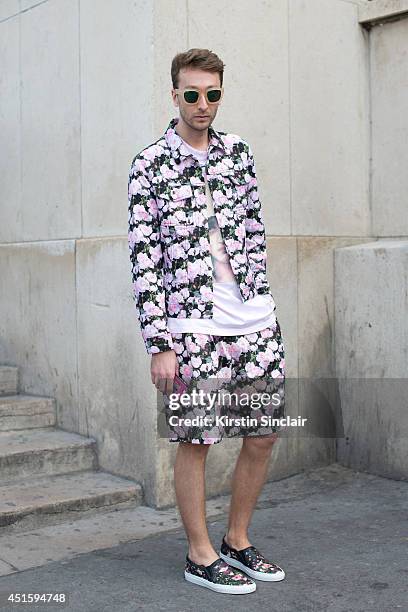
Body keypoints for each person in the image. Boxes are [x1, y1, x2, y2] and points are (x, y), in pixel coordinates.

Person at [127, 48, 286, 595]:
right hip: (192, 326)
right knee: (197, 438)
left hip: (253, 320)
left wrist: (261, 302)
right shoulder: (149, 164)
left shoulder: (238, 152)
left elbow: (254, 229)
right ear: (174, 94)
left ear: (221, 94)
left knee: (263, 434)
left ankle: (237, 540)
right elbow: (143, 256)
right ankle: (200, 553)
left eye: (212, 94)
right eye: (191, 94)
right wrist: (159, 341)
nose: (202, 104)